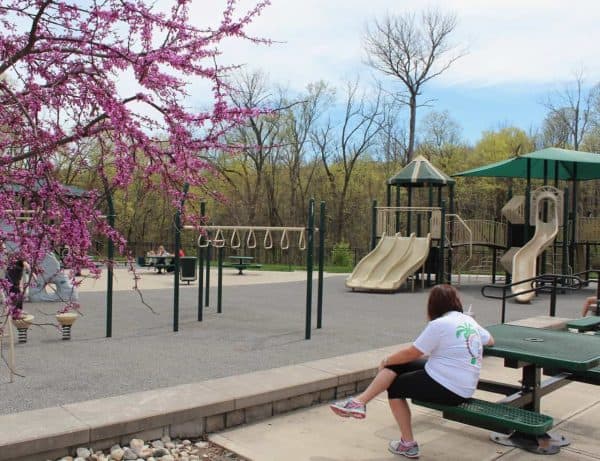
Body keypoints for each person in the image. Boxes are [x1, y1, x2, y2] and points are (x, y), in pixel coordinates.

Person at [330, 284, 494, 458]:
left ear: (433, 305)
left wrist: (386, 360)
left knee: (395, 387)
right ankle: (359, 403)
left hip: (449, 387)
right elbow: (490, 340)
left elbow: (413, 352)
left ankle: (408, 444)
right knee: (396, 365)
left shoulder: (440, 324)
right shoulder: (468, 321)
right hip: (463, 385)